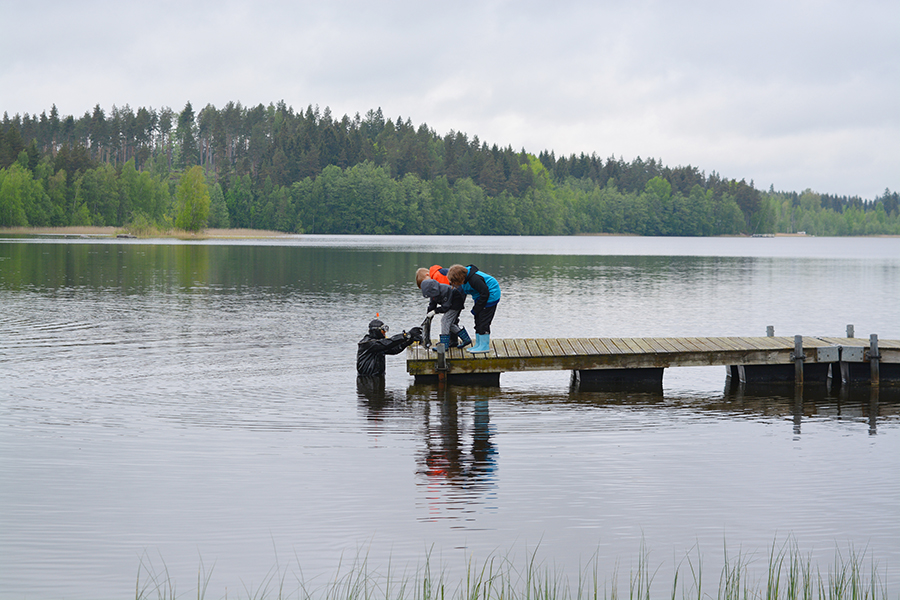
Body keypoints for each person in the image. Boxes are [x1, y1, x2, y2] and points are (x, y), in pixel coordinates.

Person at [447, 264, 501, 354]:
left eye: (455, 282)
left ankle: (484, 346)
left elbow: (485, 294)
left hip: (491, 296)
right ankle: (479, 344)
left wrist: (477, 308)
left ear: (460, 278)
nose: (454, 284)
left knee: (483, 321)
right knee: (477, 320)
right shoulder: (465, 279)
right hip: (480, 297)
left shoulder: (475, 279)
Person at [419, 276, 472, 350]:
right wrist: (429, 314)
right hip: (450, 305)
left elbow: (446, 307)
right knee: (450, 324)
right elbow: (432, 305)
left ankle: (444, 345)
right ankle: (466, 339)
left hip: (455, 305)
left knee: (445, 321)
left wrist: (435, 311)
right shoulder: (434, 293)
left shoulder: (445, 290)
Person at [356, 318, 423, 376]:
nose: (384, 333)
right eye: (383, 331)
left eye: (385, 331)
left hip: (379, 378)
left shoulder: (379, 345)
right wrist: (406, 335)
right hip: (366, 381)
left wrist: (409, 341)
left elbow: (394, 349)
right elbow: (388, 343)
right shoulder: (367, 343)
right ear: (376, 331)